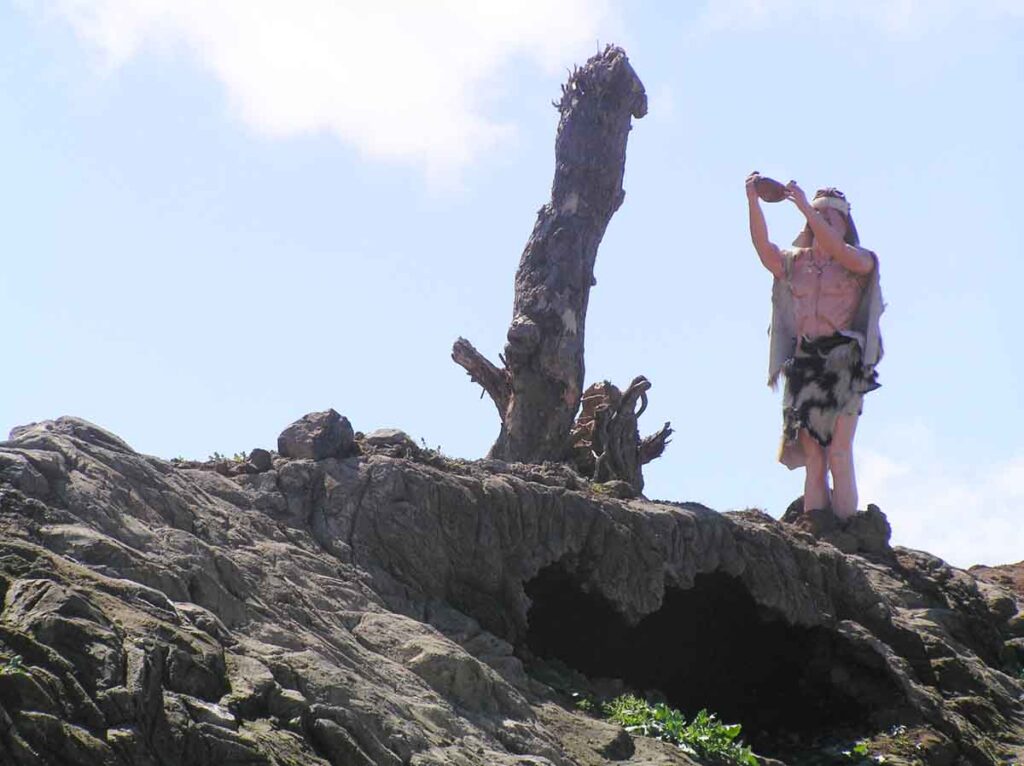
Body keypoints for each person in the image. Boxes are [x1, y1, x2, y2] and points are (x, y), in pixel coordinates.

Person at [745, 173, 884, 520]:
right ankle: (818, 528)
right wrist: (752, 201)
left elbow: (836, 248)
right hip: (806, 361)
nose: (819, 222)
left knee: (839, 451)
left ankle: (848, 529)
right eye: (816, 216)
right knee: (814, 458)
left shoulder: (858, 261)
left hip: (844, 361)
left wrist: (807, 207)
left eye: (829, 217)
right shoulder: (797, 262)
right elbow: (764, 250)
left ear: (844, 225)